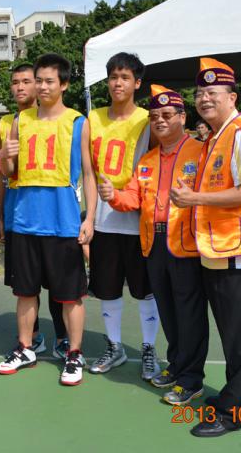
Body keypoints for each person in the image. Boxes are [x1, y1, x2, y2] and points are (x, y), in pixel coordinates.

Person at [169, 58, 241, 437]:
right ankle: (240, 396)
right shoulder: (218, 136)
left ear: (232, 97)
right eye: (200, 93)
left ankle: (233, 413)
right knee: (233, 334)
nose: (204, 98)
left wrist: (194, 199)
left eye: (213, 92)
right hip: (219, 251)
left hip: (238, 253)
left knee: (240, 339)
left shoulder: (240, 135)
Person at [99, 84, 209, 406]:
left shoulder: (200, 152)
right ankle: (176, 366)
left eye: (167, 114)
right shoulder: (147, 160)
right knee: (169, 311)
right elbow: (133, 198)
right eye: (154, 116)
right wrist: (113, 196)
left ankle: (191, 380)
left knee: (189, 314)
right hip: (153, 244)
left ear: (182, 117)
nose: (160, 120)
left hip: (186, 243)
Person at [0, 53, 96, 386]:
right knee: (25, 292)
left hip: (62, 223)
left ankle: (74, 353)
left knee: (70, 295)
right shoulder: (20, 121)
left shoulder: (78, 122)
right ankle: (25, 348)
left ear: (63, 84)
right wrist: (4, 158)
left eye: (49, 81)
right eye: (38, 80)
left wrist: (90, 219)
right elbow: (9, 172)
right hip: (24, 221)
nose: (41, 86)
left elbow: (89, 175)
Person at [85, 52, 160, 381]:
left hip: (138, 217)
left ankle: (148, 348)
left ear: (137, 83)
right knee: (107, 288)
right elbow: (88, 172)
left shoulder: (148, 119)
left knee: (145, 290)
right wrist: (89, 216)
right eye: (114, 77)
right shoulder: (93, 117)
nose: (118, 83)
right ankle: (114, 346)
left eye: (125, 77)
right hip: (104, 219)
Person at [0, 63, 68, 358]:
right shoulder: (4, 124)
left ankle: (62, 336)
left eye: (26, 81)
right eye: (15, 82)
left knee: (57, 282)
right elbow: (1, 173)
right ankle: (32, 337)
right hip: (17, 214)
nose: (21, 87)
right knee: (26, 283)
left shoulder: (57, 119)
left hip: (51, 215)